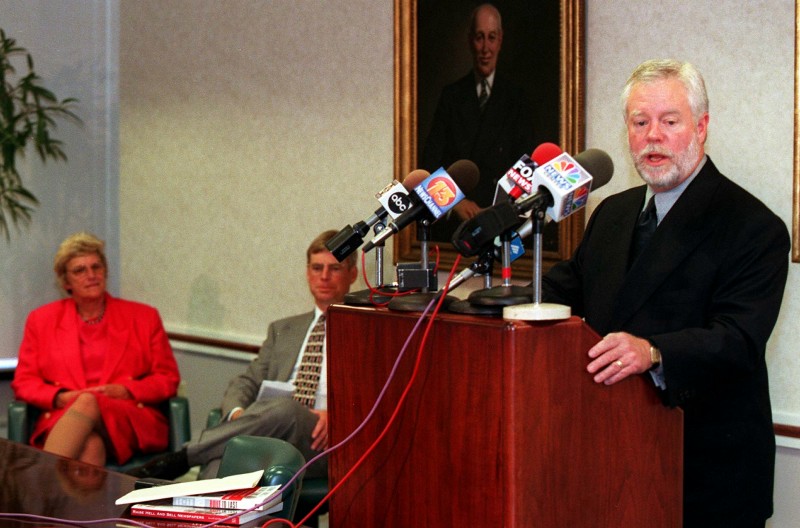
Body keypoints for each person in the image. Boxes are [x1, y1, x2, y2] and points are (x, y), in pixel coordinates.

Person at [541, 59, 789, 528]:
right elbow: (567, 287)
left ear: (702, 127)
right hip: (610, 463)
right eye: (640, 122)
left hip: (706, 477)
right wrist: (494, 295)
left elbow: (738, 338)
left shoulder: (754, 227)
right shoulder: (612, 213)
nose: (652, 136)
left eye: (669, 121)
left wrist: (653, 351)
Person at [128, 229, 359, 480]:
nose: (324, 277)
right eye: (316, 268)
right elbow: (245, 382)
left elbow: (378, 398)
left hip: (324, 443)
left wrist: (339, 414)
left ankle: (184, 457)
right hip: (267, 431)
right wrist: (239, 415)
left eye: (334, 269)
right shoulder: (283, 329)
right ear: (307, 273)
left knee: (285, 411)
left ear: (352, 274)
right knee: (227, 454)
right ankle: (203, 517)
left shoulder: (366, 333)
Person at [11, 232, 181, 467]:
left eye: (96, 267)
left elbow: (167, 378)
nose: (91, 275)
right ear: (65, 282)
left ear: (105, 272)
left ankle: (37, 487)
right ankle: (87, 505)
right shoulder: (41, 320)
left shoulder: (143, 317)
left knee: (89, 401)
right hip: (65, 416)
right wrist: (59, 398)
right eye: (80, 270)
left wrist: (126, 390)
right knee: (90, 445)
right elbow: (24, 382)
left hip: (129, 417)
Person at [421, 3, 535, 240]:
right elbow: (430, 161)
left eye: (491, 38)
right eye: (479, 38)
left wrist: (500, 207)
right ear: (470, 41)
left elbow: (527, 165)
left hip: (501, 222)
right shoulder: (451, 96)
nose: (485, 48)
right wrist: (456, 203)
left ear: (500, 41)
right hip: (457, 225)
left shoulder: (518, 98)